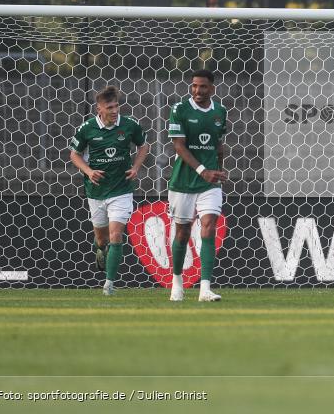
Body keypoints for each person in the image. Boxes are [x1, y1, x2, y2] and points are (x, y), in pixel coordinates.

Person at [69, 85, 150, 296]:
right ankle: (99, 249)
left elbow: (144, 146)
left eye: (116, 106)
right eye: (110, 107)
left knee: (116, 236)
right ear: (99, 109)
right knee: (102, 239)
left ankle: (109, 285)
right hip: (96, 192)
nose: (114, 111)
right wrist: (88, 171)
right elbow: (74, 154)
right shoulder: (87, 129)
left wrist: (136, 167)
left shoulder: (130, 125)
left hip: (121, 190)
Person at [167, 69, 228, 302]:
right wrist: (203, 171)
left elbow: (218, 144)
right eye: (194, 86)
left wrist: (218, 169)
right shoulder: (180, 110)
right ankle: (177, 283)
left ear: (212, 88)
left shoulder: (220, 112)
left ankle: (205, 289)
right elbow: (179, 147)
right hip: (183, 182)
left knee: (209, 225)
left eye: (202, 86)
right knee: (182, 233)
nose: (197, 91)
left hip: (209, 184)